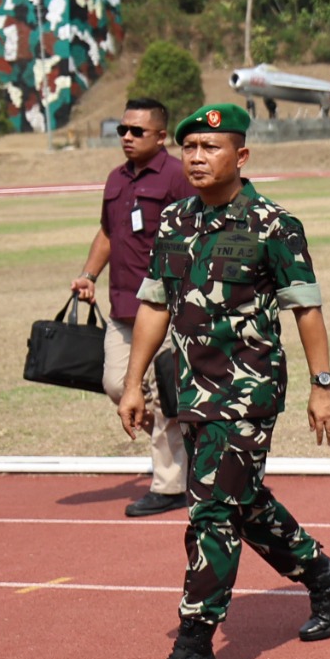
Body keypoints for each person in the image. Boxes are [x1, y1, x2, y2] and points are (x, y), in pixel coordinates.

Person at [117, 103, 330, 659]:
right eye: (191, 148)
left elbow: (305, 307)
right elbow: (155, 303)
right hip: (190, 388)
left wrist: (322, 386)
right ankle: (327, 577)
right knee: (239, 499)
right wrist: (133, 381)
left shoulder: (273, 225)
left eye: (211, 147)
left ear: (241, 156)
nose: (198, 158)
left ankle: (195, 644)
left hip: (247, 390)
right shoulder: (175, 221)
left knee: (210, 512)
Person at [77, 95, 195, 516]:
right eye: (121, 130)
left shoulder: (178, 177)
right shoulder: (115, 179)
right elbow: (107, 233)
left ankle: (168, 485)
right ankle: (185, 448)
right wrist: (88, 276)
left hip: (166, 309)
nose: (126, 137)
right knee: (116, 385)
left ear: (161, 136)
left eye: (136, 131)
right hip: (122, 307)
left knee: (164, 395)